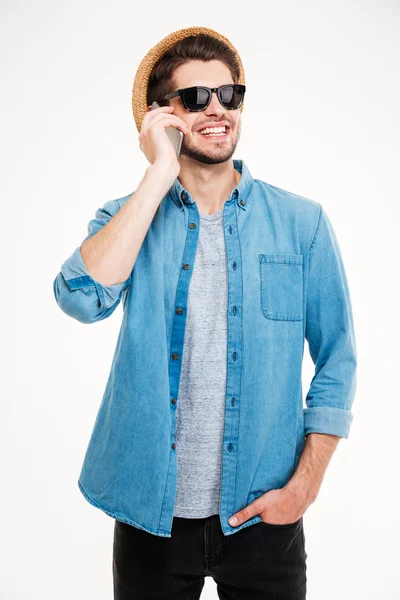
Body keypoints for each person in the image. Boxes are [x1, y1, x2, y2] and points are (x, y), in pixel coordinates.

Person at [53, 26, 357, 600]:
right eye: (194, 98)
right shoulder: (128, 217)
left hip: (265, 514)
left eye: (229, 94)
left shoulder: (302, 223)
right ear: (161, 116)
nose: (216, 110)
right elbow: (79, 297)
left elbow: (338, 360)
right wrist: (158, 174)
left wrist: (305, 488)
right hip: (152, 514)